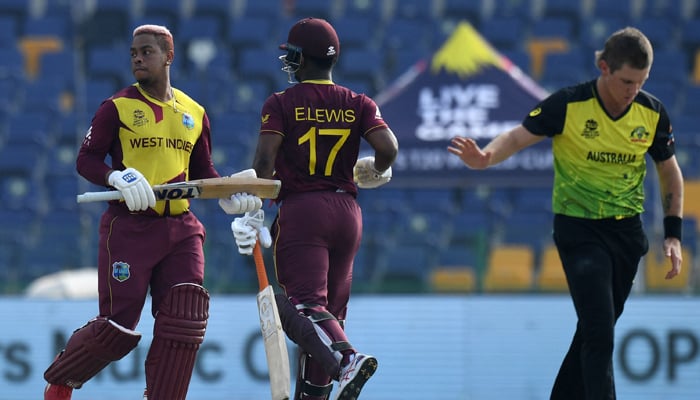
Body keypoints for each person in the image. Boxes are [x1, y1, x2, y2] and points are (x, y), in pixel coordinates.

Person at [448, 27, 684, 399]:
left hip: (626, 235)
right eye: (625, 81)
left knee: (593, 333)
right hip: (580, 231)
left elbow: (669, 171)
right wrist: (486, 158)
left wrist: (672, 234)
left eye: (640, 82)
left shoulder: (651, 113)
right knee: (600, 332)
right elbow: (517, 136)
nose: (631, 91)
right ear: (604, 67)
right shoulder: (569, 105)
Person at [43, 24, 262, 400]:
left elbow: (202, 173)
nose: (138, 59)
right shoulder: (117, 107)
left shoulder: (194, 113)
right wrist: (116, 176)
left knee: (185, 317)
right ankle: (61, 380)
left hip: (181, 228)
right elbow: (86, 160)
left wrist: (227, 194)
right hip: (129, 228)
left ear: (169, 56)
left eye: (146, 52)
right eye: (133, 54)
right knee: (118, 328)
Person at [230, 17, 398, 400]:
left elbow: (264, 164)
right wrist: (376, 170)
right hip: (348, 212)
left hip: (303, 212)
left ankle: (349, 360)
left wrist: (255, 202)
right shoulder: (359, 102)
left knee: (300, 307)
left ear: (301, 59)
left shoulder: (281, 103)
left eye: (291, 56)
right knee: (328, 317)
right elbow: (388, 149)